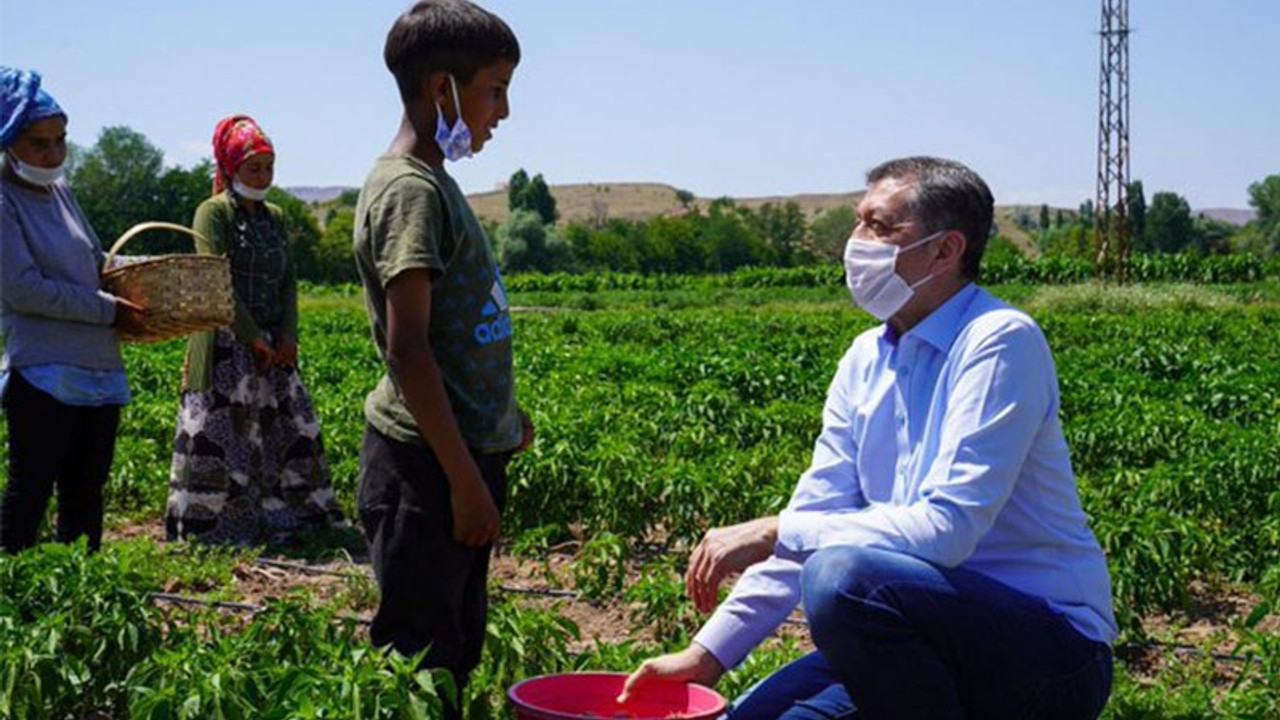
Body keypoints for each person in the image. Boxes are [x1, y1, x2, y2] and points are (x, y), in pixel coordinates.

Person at [622, 157, 1117, 720]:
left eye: (881, 227)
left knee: (841, 575)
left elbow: (947, 530)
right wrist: (707, 655)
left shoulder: (999, 341)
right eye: (859, 223)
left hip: (1048, 654)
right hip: (919, 632)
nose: (857, 242)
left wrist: (774, 530)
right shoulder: (865, 358)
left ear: (946, 249)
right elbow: (819, 511)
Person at [352, 0, 532, 709]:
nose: (504, 110)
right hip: (424, 471)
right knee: (420, 658)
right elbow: (408, 348)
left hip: (455, 454)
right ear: (442, 91)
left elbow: (457, 335)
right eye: (495, 88)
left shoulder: (435, 186)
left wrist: (499, 419)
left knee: (455, 642)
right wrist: (463, 479)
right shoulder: (409, 192)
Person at [164, 114, 341, 545]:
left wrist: (287, 335)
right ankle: (212, 529)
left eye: (268, 167)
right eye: (253, 168)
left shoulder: (275, 216)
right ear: (230, 168)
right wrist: (252, 337)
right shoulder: (213, 213)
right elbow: (217, 278)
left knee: (288, 428)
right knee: (223, 435)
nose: (263, 177)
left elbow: (288, 281)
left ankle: (291, 520)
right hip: (226, 342)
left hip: (272, 343)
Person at [0, 67, 147, 553]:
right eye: (39, 143)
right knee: (30, 495)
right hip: (44, 372)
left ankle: (80, 602)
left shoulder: (60, 191)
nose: (54, 154)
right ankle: (12, 604)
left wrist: (147, 273)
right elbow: (24, 290)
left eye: (60, 140)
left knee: (85, 495)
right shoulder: (3, 201)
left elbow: (94, 259)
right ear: (7, 142)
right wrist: (109, 311)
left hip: (98, 368)